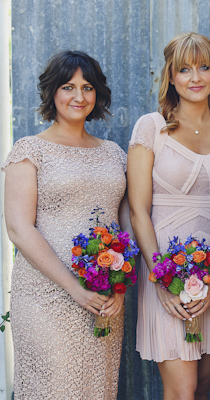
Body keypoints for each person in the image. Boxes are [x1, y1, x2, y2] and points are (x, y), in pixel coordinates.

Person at [2, 51, 127, 399]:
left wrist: (118, 286)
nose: (78, 96)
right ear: (52, 92)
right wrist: (74, 288)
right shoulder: (29, 151)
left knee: (95, 388)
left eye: (87, 87)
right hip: (46, 295)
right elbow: (19, 229)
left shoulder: (114, 153)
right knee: (53, 386)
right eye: (68, 87)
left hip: (102, 296)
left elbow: (125, 226)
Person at [128, 32, 210, 400]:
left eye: (204, 67)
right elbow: (138, 210)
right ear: (171, 77)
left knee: (204, 386)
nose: (196, 77)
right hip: (165, 269)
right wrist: (160, 278)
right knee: (182, 390)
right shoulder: (151, 127)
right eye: (185, 69)